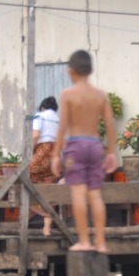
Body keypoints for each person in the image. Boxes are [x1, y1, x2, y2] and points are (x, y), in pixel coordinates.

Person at [51, 50, 117, 253]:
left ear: (71, 71)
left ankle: (84, 241)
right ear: (90, 70)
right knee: (95, 195)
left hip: (77, 145)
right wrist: (112, 152)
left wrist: (55, 155)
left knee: (79, 193)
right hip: (95, 145)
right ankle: (101, 242)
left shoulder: (67, 95)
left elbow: (62, 127)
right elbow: (110, 124)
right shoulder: (100, 95)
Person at [29, 96, 60, 236]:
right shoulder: (59, 120)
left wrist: (29, 151)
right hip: (55, 154)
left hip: (43, 151)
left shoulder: (40, 116)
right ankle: (46, 228)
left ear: (42, 107)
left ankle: (37, 210)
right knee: (50, 187)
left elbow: (35, 136)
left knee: (25, 177)